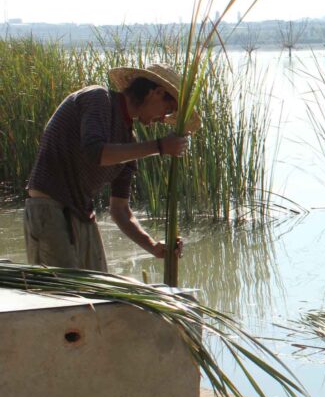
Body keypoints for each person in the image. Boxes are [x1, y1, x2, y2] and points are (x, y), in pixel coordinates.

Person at [24, 62, 199, 272]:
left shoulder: (129, 141)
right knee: (63, 288)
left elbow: (120, 210)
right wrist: (159, 146)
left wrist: (153, 246)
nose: (162, 119)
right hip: (49, 209)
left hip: (82, 214)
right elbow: (95, 152)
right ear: (157, 92)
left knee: (99, 286)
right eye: (167, 110)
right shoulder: (98, 98)